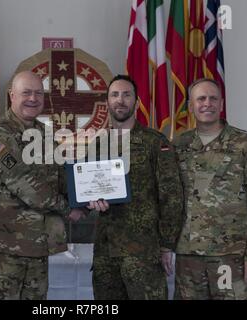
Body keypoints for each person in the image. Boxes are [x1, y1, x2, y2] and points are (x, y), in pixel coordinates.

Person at [0, 71, 106, 300]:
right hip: (7, 247)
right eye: (26, 92)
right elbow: (23, 183)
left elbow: (61, 178)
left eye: (38, 93)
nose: (33, 98)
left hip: (38, 246)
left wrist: (90, 198)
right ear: (12, 95)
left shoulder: (44, 134)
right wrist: (69, 210)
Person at [173, 78, 247, 300]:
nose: (207, 104)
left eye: (213, 98)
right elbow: (169, 199)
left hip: (231, 256)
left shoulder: (244, 143)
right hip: (188, 256)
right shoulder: (179, 145)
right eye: (201, 99)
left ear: (221, 104)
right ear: (191, 106)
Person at [91, 75, 184, 300]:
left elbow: (172, 196)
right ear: (107, 102)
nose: (120, 100)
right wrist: (89, 201)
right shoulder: (99, 143)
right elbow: (89, 187)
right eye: (114, 95)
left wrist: (166, 245)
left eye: (126, 94)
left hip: (143, 252)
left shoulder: (155, 142)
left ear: (136, 101)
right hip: (106, 253)